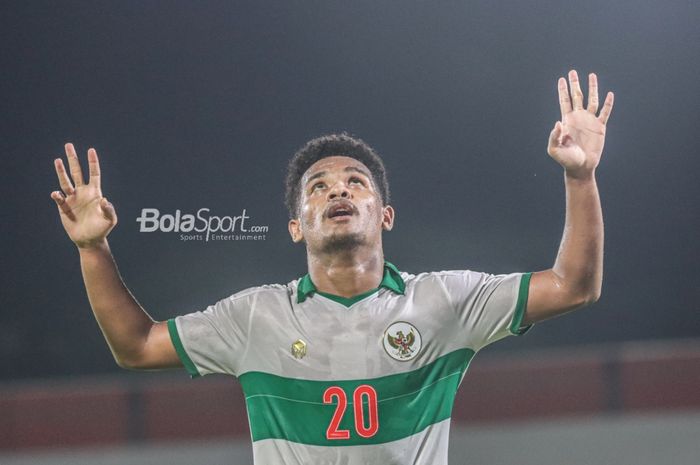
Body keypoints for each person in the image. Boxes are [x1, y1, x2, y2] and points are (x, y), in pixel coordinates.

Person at [50, 69, 614, 465]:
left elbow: (573, 287)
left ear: (385, 214)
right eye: (317, 188)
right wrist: (91, 249)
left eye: (355, 182)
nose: (337, 190)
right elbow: (137, 346)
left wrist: (580, 177)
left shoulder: (444, 303)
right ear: (297, 226)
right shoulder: (256, 318)